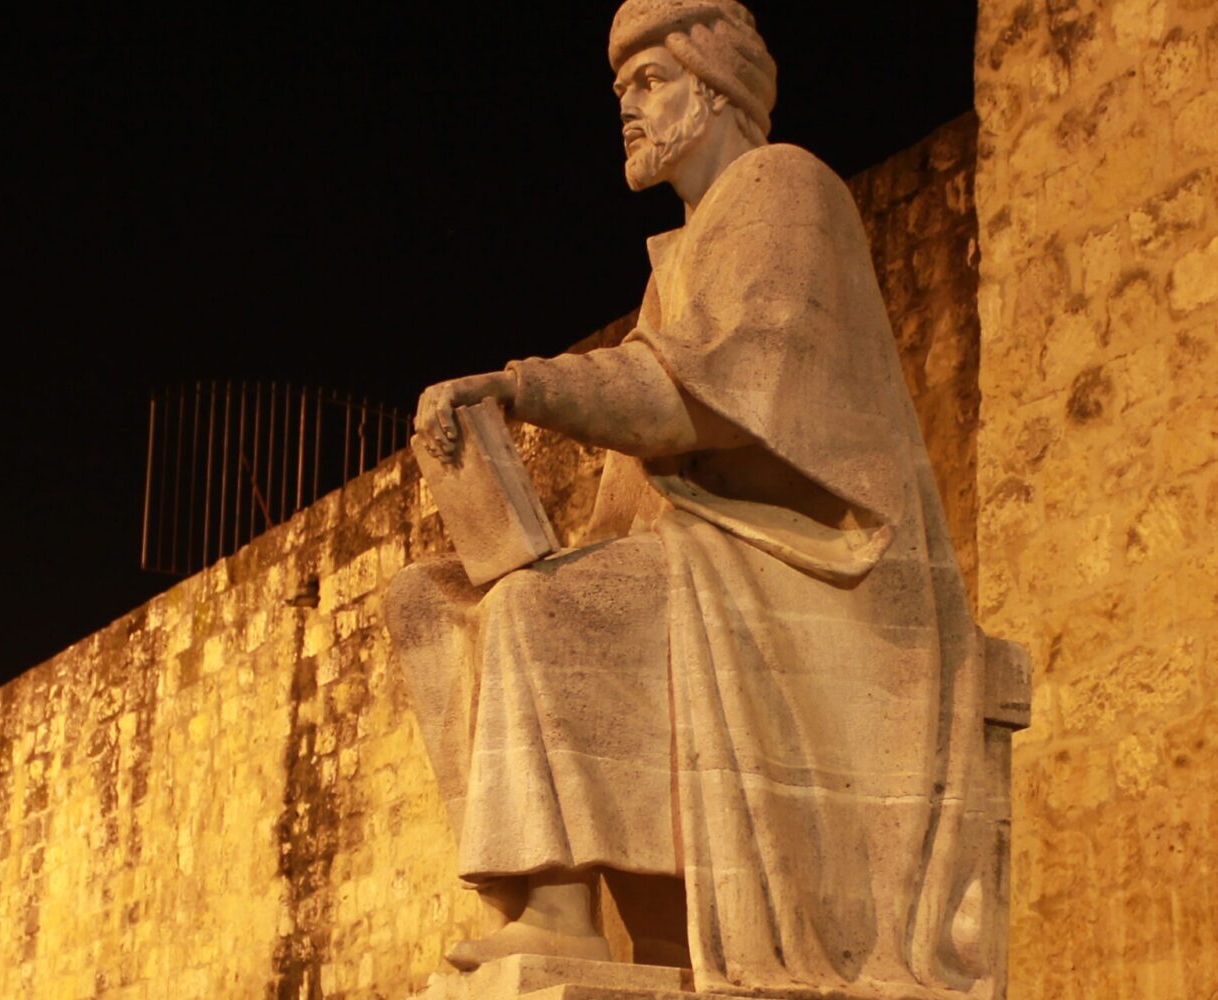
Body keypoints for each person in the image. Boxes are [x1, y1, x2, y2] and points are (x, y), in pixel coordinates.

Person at [384, 2, 996, 996]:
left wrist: (518, 385)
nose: (625, 109)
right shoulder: (683, 255)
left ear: (714, 90)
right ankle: (536, 902)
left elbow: (700, 389)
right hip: (718, 559)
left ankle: (561, 912)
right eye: (620, 89)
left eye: (648, 83)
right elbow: (632, 488)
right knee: (430, 600)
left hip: (819, 571)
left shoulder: (784, 189)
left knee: (543, 606)